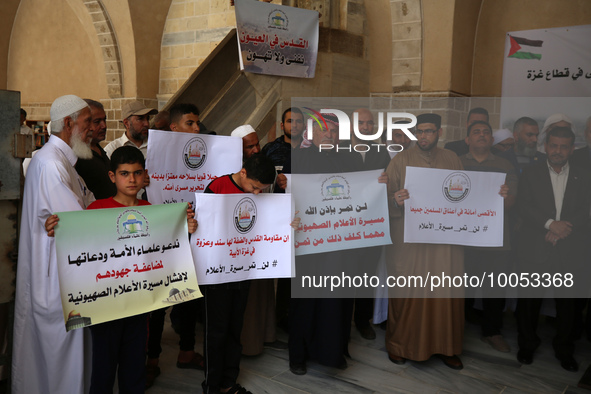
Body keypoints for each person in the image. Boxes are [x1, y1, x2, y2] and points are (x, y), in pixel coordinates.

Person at [46, 146, 197, 393]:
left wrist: (185, 227)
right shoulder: (95, 211)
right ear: (112, 176)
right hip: (105, 308)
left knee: (134, 369)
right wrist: (57, 229)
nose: (132, 179)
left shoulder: (153, 211)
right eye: (125, 173)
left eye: (137, 173)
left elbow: (167, 247)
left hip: (139, 305)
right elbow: (79, 246)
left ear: (144, 174)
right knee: (103, 372)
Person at [13, 94, 95, 393]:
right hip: (55, 279)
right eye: (87, 121)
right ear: (69, 123)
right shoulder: (50, 164)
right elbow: (78, 222)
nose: (92, 129)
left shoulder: (64, 162)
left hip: (64, 276)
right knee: (58, 357)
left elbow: (89, 205)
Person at [385, 113, 465, 370]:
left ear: (439, 133)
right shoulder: (400, 160)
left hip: (443, 241)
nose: (423, 136)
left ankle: (446, 347)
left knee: (444, 290)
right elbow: (382, 200)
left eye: (429, 131)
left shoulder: (451, 159)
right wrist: (395, 200)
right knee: (408, 291)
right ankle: (400, 345)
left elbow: (464, 194)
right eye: (419, 131)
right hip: (409, 242)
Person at [287, 113, 364, 375]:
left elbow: (364, 193)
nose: (329, 135)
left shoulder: (351, 159)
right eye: (324, 131)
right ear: (312, 134)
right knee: (306, 299)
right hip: (309, 242)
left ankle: (333, 351)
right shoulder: (298, 158)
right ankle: (299, 355)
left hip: (342, 244)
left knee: (337, 299)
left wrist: (379, 184)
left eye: (333, 131)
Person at [515, 126, 591, 372]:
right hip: (536, 247)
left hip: (570, 249)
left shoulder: (585, 175)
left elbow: (587, 209)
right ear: (546, 146)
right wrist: (550, 224)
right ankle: (527, 345)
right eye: (554, 146)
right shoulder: (529, 173)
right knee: (528, 303)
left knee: (568, 306)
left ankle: (564, 349)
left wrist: (563, 229)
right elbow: (523, 206)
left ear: (572, 149)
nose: (558, 151)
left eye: (563, 146)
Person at [200, 153, 277, 394]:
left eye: (261, 190)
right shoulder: (217, 187)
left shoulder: (257, 192)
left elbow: (266, 225)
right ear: (243, 173)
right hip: (216, 276)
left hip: (242, 273)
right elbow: (202, 229)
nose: (256, 193)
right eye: (254, 187)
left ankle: (228, 383)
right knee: (217, 332)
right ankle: (211, 386)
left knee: (235, 330)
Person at [145, 103, 205, 389]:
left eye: (197, 124)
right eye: (190, 123)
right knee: (159, 302)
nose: (196, 129)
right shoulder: (153, 158)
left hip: (193, 234)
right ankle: (151, 360)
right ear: (174, 127)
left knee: (190, 296)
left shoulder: (206, 156)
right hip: (162, 237)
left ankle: (187, 351)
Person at [228, 125, 287, 356]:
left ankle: (266, 335)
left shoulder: (263, 166)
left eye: (257, 144)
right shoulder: (231, 174)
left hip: (263, 239)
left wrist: (280, 185)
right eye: (249, 146)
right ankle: (248, 344)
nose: (255, 149)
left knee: (262, 289)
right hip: (239, 246)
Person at [460, 121, 515, 353]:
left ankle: (492, 332)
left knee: (494, 290)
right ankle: (455, 330)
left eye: (486, 133)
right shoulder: (455, 163)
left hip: (495, 238)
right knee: (461, 288)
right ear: (468, 140)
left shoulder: (505, 165)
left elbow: (511, 203)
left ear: (492, 140)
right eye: (476, 132)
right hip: (462, 237)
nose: (481, 136)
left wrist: (505, 196)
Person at [349, 108, 391, 340]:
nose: (366, 128)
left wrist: (386, 181)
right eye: (361, 123)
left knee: (366, 273)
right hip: (344, 226)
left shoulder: (380, 152)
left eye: (369, 123)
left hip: (371, 224)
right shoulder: (339, 150)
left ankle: (362, 320)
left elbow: (390, 182)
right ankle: (342, 318)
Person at [75, 99, 117, 199]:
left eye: (104, 120)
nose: (104, 126)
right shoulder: (77, 156)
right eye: (97, 122)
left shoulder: (99, 149)